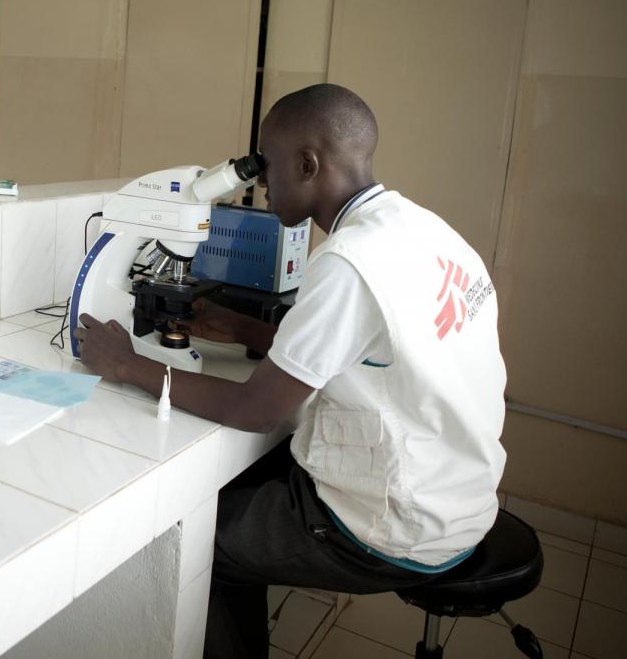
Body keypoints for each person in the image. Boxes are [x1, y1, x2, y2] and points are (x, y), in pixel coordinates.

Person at [75, 83, 507, 659]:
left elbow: (256, 412)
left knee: (193, 542)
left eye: (268, 164)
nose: (260, 181)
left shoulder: (349, 262)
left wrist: (126, 365)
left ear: (308, 164)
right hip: (460, 493)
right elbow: (371, 348)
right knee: (233, 486)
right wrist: (243, 329)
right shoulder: (420, 228)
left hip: (396, 525)